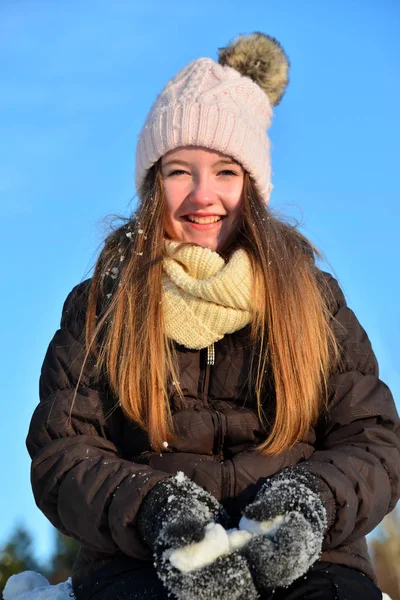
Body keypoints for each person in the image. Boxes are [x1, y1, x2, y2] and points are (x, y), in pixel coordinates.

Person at [27, 32, 400, 600]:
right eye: (181, 171)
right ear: (154, 183)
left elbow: (372, 440)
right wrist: (157, 513)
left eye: (226, 171)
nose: (204, 195)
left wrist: (306, 505)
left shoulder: (310, 296)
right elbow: (63, 453)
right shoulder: (105, 302)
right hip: (142, 566)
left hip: (310, 567)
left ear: (252, 185)